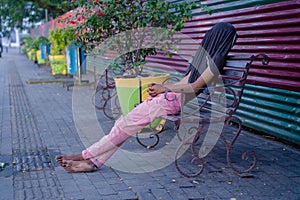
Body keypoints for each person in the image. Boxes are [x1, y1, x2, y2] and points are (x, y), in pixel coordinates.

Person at [56, 22, 237, 173]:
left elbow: (195, 87)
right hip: (168, 99)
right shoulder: (205, 61)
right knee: (123, 125)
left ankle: (84, 155)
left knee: (122, 125)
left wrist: (164, 87)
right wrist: (161, 90)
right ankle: (92, 163)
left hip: (172, 102)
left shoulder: (215, 62)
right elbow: (185, 82)